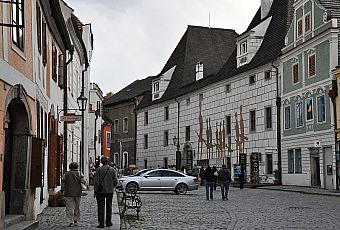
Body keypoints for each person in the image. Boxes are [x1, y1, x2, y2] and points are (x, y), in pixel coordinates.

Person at [94, 156, 118, 228]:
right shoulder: (112, 169)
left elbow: (96, 182)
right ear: (107, 161)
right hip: (109, 191)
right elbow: (115, 181)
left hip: (100, 191)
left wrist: (95, 191)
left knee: (100, 207)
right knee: (109, 206)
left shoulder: (98, 169)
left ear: (101, 162)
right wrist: (112, 186)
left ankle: (101, 223)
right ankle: (108, 222)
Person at [63, 162, 86, 227]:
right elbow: (83, 181)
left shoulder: (66, 173)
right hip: (78, 192)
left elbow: (63, 183)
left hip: (68, 192)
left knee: (69, 207)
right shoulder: (79, 173)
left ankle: (70, 221)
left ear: (70, 167)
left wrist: (63, 189)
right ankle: (76, 220)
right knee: (77, 207)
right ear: (77, 167)